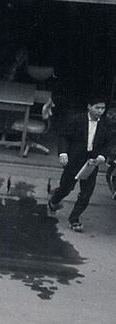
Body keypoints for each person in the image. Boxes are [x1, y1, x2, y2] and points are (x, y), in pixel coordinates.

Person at [46, 96, 114, 232]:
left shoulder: (106, 124)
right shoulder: (77, 120)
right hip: (74, 160)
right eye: (97, 108)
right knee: (66, 188)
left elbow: (108, 143)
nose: (100, 111)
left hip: (92, 162)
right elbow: (64, 136)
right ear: (89, 106)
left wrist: (101, 157)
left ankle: (74, 219)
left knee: (86, 193)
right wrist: (63, 153)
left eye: (103, 108)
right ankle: (54, 201)